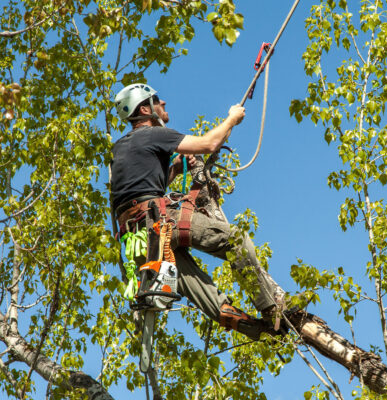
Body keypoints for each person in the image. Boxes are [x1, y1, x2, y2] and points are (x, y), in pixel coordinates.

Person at [109, 83, 283, 340]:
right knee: (237, 241)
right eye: (156, 100)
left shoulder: (120, 148)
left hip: (139, 241)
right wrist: (232, 119)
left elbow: (136, 190)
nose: (164, 103)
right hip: (160, 222)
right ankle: (271, 308)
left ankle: (259, 332)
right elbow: (210, 143)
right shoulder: (154, 134)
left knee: (199, 288)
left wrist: (176, 170)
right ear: (145, 109)